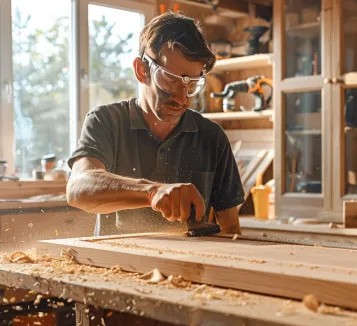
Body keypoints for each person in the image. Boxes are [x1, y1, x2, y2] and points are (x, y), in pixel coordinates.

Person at [66, 11, 244, 235]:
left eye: (191, 84)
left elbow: (231, 229)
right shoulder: (106, 121)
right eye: (170, 80)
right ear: (142, 71)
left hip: (191, 267)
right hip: (117, 266)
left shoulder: (212, 136)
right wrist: (152, 192)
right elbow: (78, 189)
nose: (182, 98)